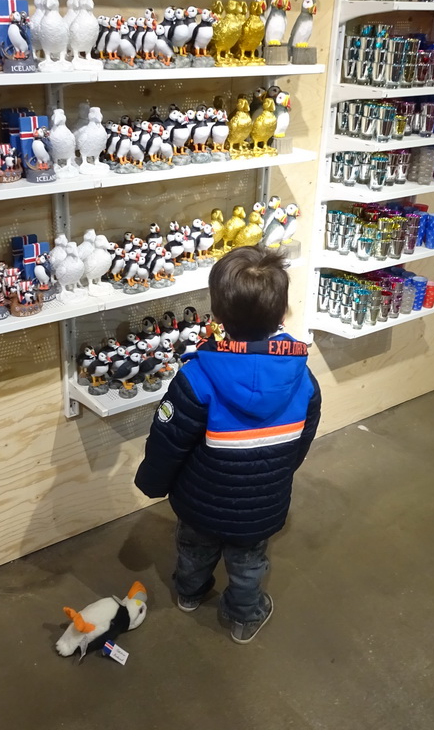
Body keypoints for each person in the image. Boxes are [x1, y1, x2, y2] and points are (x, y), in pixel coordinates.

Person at [134, 245, 322, 644]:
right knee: (249, 563)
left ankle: (189, 593)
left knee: (193, 548)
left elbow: (167, 441)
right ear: (283, 313)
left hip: (200, 501)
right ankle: (242, 617)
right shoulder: (304, 380)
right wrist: (276, 475)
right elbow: (301, 443)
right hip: (262, 504)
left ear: (216, 316)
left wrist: (152, 483)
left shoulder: (197, 378)